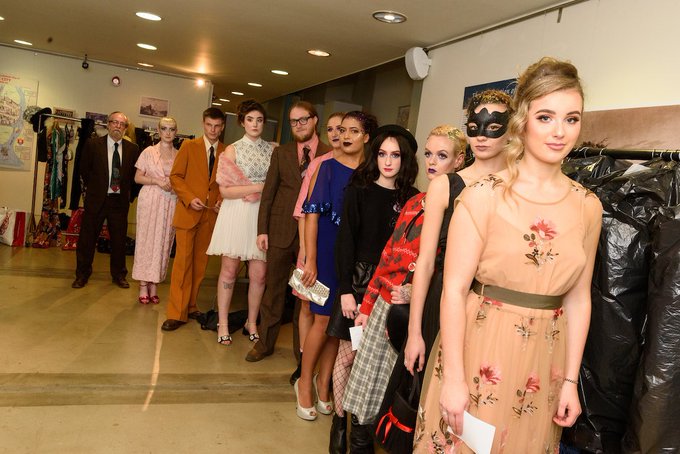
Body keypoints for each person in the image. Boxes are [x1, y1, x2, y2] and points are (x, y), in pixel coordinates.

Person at [414, 57, 603, 453]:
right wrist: (454, 379)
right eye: (546, 117)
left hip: (545, 359)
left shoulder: (588, 206)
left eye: (571, 119)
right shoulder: (483, 196)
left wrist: (570, 381)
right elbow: (453, 290)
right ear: (523, 121)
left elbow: (579, 297)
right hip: (479, 350)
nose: (559, 131)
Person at [338, 125, 466, 452]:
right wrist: (367, 307)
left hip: (421, 313)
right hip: (384, 303)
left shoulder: (464, 208)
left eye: (442, 155)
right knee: (365, 389)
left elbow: (455, 269)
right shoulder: (414, 201)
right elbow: (387, 257)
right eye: (429, 154)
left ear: (459, 160)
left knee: (399, 395)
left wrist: (416, 291)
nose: (432, 162)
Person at [404, 89, 513, 376]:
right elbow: (425, 261)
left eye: (493, 127)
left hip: (493, 304)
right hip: (442, 298)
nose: (481, 137)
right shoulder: (445, 185)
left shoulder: (517, 187)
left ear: (511, 131)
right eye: (474, 127)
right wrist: (414, 332)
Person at [328, 124, 420, 452]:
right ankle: (340, 422)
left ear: (405, 159)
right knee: (347, 358)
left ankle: (364, 429)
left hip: (391, 289)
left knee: (375, 362)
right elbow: (345, 241)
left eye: (395, 155)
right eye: (382, 154)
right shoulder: (359, 189)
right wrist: (345, 290)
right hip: (357, 282)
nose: (388, 161)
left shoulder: (412, 198)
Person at [294, 111, 378, 422]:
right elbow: (311, 216)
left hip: (353, 255)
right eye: (343, 130)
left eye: (354, 131)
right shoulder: (326, 167)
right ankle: (304, 383)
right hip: (326, 251)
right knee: (321, 320)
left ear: (366, 137)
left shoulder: (371, 172)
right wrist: (311, 259)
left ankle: (324, 383)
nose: (345, 136)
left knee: (338, 326)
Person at [245, 101, 332, 361]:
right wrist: (262, 230)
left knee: (305, 298)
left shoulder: (330, 153)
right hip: (280, 229)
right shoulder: (281, 153)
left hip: (313, 235)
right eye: (294, 121)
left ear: (315, 120)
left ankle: (301, 353)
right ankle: (265, 344)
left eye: (303, 119)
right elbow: (268, 193)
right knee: (273, 290)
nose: (299, 125)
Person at [206, 100, 273, 345]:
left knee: (259, 274)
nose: (255, 124)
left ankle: (251, 322)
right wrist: (259, 187)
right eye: (250, 119)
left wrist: (259, 191)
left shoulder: (272, 150)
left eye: (259, 120)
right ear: (242, 122)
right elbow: (225, 191)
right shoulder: (232, 150)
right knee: (229, 270)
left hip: (261, 215)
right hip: (236, 213)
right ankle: (223, 323)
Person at [289, 111, 345, 384]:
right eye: (331, 129)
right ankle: (304, 365)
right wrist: (305, 251)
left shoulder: (363, 166)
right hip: (311, 248)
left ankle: (325, 372)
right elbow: (304, 210)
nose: (335, 134)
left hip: (337, 253)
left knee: (330, 314)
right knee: (307, 306)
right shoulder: (319, 164)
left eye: (341, 129)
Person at [161, 107, 226, 332]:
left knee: (200, 266)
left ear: (222, 127)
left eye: (217, 126)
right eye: (209, 125)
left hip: (210, 216)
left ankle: (190, 306)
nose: (213, 130)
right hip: (188, 213)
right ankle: (176, 313)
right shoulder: (189, 146)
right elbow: (176, 176)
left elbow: (227, 182)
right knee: (182, 264)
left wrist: (221, 200)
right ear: (203, 124)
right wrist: (189, 198)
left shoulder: (227, 151)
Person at [72, 111, 140, 289]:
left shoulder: (133, 149)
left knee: (119, 241)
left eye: (121, 124)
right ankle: (82, 275)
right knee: (87, 240)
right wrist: (96, 189)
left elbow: (134, 177)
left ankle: (119, 275)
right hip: (96, 200)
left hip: (119, 202)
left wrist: (128, 196)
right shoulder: (93, 144)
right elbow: (84, 170)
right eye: (114, 122)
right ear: (108, 124)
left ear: (125, 128)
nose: (118, 126)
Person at [131, 117, 179, 304]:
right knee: (146, 240)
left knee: (163, 241)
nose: (168, 132)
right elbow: (137, 177)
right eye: (164, 128)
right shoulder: (148, 152)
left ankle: (155, 283)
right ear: (158, 131)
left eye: (171, 129)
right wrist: (157, 181)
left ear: (176, 132)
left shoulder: (179, 154)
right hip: (150, 199)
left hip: (170, 201)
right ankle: (143, 283)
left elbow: (182, 179)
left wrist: (175, 186)